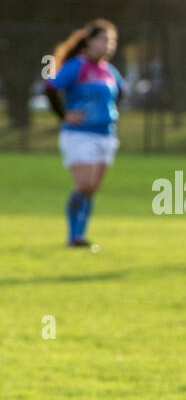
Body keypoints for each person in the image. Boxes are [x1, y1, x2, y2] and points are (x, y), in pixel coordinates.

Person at [44, 19, 123, 248]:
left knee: (92, 188)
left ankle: (81, 234)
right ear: (89, 41)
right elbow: (50, 88)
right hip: (80, 134)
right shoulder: (76, 66)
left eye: (111, 41)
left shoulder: (109, 70)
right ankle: (73, 236)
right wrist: (64, 115)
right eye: (103, 39)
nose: (108, 45)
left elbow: (121, 92)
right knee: (84, 184)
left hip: (106, 134)